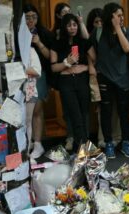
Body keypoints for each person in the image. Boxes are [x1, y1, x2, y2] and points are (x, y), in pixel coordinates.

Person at [90, 2, 129, 159]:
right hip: (105, 77)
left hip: (123, 78)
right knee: (106, 112)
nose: (122, 18)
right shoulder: (98, 31)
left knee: (124, 112)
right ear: (110, 16)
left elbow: (127, 49)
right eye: (118, 15)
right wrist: (93, 65)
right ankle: (109, 143)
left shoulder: (126, 30)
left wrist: (117, 28)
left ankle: (126, 143)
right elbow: (89, 48)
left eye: (123, 15)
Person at [50, 13, 96, 152]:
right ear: (64, 26)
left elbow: (94, 57)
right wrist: (66, 62)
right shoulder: (57, 43)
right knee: (74, 113)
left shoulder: (83, 41)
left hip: (82, 79)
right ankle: (84, 147)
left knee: (84, 113)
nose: (72, 28)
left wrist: (86, 64)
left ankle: (83, 145)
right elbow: (53, 67)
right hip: (66, 81)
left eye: (74, 25)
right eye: (69, 25)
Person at [23, 4, 54, 160]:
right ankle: (26, 143)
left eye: (33, 17)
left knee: (37, 110)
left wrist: (39, 42)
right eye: (27, 17)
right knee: (24, 112)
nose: (30, 20)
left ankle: (38, 143)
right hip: (21, 76)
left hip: (39, 76)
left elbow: (50, 57)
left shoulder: (44, 33)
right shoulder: (19, 32)